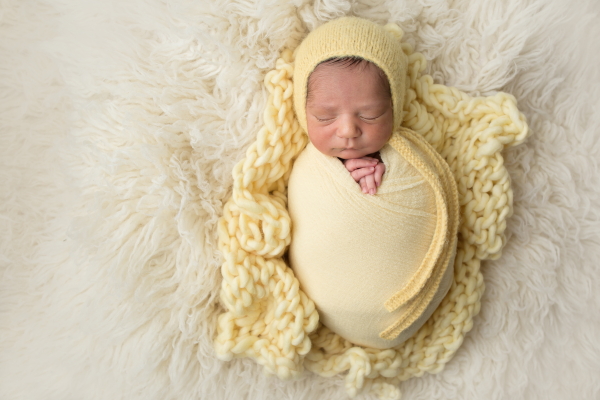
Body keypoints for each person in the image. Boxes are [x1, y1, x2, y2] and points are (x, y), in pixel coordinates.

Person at [305, 57, 391, 195]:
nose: (348, 131)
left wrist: (391, 175)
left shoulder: (410, 156)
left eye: (370, 115)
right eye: (325, 117)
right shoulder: (304, 166)